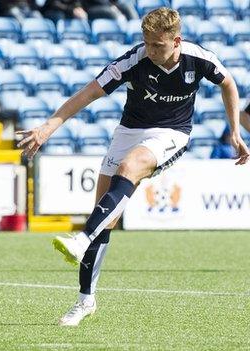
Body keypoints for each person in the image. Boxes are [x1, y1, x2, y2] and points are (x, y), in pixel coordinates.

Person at [17, 7, 249, 326]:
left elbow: (229, 84)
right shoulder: (134, 60)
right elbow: (88, 94)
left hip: (172, 134)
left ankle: (81, 238)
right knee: (104, 216)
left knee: (129, 168)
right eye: (147, 43)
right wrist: (47, 127)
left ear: (176, 41)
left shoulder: (199, 58)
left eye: (157, 45)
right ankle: (85, 301)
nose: (150, 51)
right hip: (128, 132)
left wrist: (234, 130)